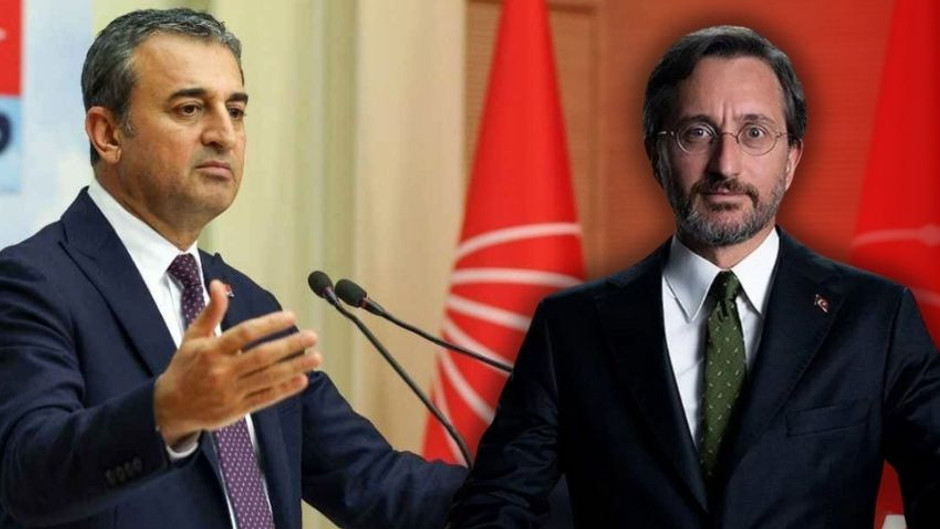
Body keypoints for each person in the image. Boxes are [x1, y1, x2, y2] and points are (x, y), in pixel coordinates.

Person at [446, 25, 940, 528]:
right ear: (656, 155)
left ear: (792, 158)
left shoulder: (875, 320)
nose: (725, 166)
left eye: (754, 133)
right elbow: (494, 506)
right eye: (697, 133)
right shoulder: (570, 329)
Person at [0, 8, 465, 529]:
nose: (224, 134)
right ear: (107, 134)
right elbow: (23, 474)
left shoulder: (250, 307)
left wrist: (530, 486)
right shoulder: (31, 284)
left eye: (236, 111)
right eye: (189, 108)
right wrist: (165, 413)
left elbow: (377, 483)